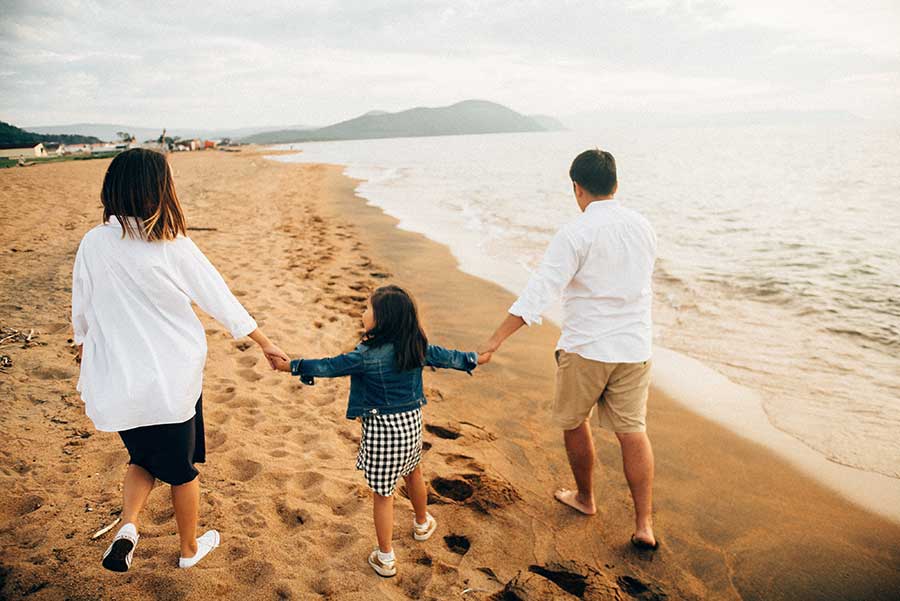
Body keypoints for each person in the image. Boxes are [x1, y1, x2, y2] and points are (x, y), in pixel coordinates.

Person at [71, 148, 288, 572]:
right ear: (160, 191)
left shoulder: (93, 243)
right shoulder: (172, 243)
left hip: (120, 379)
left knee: (142, 459)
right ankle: (189, 549)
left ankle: (128, 527)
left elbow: (82, 310)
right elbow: (218, 298)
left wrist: (87, 355)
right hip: (171, 382)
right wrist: (264, 342)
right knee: (182, 472)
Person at [478, 149, 659, 550]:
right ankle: (644, 524)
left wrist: (494, 341)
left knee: (574, 421)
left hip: (587, 348)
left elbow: (539, 292)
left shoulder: (576, 233)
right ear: (616, 184)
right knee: (633, 431)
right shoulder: (643, 226)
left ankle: (586, 498)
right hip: (634, 346)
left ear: (577, 188)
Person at [271, 285, 489, 577]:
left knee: (383, 494)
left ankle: (385, 556)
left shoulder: (366, 355)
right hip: (411, 426)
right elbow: (449, 357)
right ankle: (422, 523)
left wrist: (292, 366)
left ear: (383, 319)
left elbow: (329, 366)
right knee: (415, 473)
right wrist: (474, 358)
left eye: (367, 308)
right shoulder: (416, 346)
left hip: (383, 431)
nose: (363, 313)